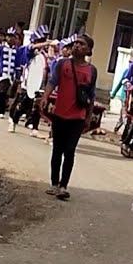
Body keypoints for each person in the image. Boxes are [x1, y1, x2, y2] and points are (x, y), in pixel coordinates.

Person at [41, 34, 97, 201]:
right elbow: (52, 82)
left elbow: (91, 95)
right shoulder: (62, 64)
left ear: (88, 50)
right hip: (59, 114)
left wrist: (89, 117)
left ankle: (64, 185)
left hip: (77, 117)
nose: (77, 46)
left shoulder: (91, 70)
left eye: (82, 44)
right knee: (57, 150)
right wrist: (45, 97)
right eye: (76, 43)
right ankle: (54, 183)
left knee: (70, 151)